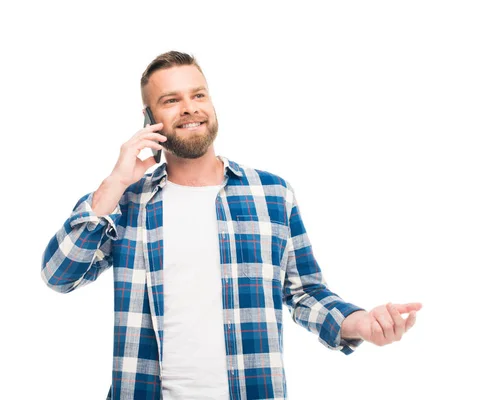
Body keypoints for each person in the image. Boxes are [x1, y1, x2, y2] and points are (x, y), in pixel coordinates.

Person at [41, 51, 422, 400]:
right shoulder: (126, 202)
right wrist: (114, 182)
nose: (190, 109)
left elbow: (305, 292)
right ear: (149, 119)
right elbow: (59, 276)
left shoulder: (271, 193)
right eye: (171, 100)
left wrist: (361, 324)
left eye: (198, 95)